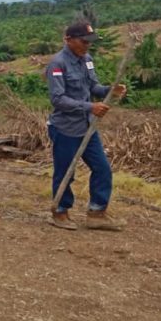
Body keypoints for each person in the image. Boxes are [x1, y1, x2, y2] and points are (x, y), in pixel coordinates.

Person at [46, 22, 127, 231]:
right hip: (65, 128)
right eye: (83, 41)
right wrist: (90, 106)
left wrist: (110, 90)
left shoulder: (87, 60)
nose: (87, 46)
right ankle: (60, 211)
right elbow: (58, 99)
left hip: (87, 127)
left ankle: (97, 213)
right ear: (69, 40)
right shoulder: (57, 64)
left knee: (102, 168)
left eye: (89, 42)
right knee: (66, 172)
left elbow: (94, 87)